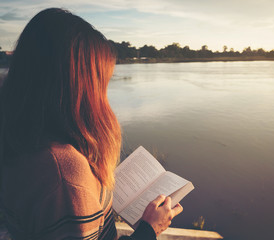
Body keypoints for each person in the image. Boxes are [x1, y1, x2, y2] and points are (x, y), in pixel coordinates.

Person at [0, 8, 183, 240]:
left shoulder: (19, 131)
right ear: (77, 86)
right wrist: (149, 230)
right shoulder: (64, 173)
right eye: (101, 81)